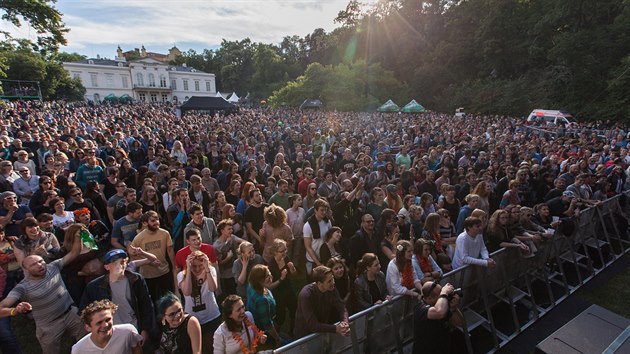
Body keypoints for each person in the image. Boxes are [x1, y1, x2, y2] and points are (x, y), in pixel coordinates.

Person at [0, 230, 84, 354]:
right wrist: (15, 310)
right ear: (26, 270)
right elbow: (1, 307)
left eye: (41, 261)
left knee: (88, 343)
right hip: (48, 326)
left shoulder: (53, 267)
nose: (40, 265)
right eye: (34, 264)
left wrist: (78, 237)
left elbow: (74, 253)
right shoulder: (22, 287)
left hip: (71, 314)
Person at [80, 249, 155, 350]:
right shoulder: (94, 287)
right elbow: (85, 311)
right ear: (107, 267)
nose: (120, 265)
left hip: (134, 328)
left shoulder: (136, 280)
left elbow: (147, 306)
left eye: (123, 261)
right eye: (115, 262)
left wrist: (145, 330)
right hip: (110, 332)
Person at [178, 250, 221, 353]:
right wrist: (189, 271)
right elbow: (187, 292)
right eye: (194, 266)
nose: (197, 269)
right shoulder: (181, 275)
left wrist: (206, 269)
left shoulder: (210, 270)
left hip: (211, 316)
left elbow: (212, 288)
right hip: (192, 319)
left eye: (200, 266)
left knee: (212, 347)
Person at [129, 211, 177, 301]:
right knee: (153, 300)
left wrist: (174, 267)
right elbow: (133, 255)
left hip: (164, 271)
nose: (156, 223)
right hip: (148, 275)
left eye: (157, 220)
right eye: (153, 221)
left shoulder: (165, 233)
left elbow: (170, 251)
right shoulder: (139, 238)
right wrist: (149, 262)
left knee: (169, 299)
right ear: (145, 223)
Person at [293, 265, 349, 339]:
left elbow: (341, 307)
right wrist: (336, 328)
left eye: (333, 279)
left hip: (322, 331)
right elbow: (313, 325)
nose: (333, 283)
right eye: (329, 281)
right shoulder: (306, 295)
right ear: (319, 283)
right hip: (305, 336)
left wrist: (344, 322)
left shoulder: (331, 288)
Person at [72, 299, 144, 354]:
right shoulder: (78, 349)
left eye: (108, 320)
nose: (105, 325)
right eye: (99, 323)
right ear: (88, 327)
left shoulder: (127, 332)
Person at [412, 281, 464, 354]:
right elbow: (439, 312)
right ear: (429, 298)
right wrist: (444, 293)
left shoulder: (443, 305)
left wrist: (453, 308)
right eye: (440, 296)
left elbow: (461, 323)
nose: (444, 298)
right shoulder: (420, 308)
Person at [246, 264, 283, 346]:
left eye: (269, 273)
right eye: (267, 276)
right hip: (264, 330)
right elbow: (268, 325)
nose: (271, 277)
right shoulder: (262, 300)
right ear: (259, 280)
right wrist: (277, 338)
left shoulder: (251, 285)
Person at [267, 239, 297, 335]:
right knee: (280, 316)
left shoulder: (286, 258)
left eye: (285, 250)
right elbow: (269, 286)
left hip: (288, 288)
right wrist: (281, 278)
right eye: (282, 251)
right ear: (275, 252)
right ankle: (274, 336)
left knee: (294, 310)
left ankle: (292, 331)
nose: (284, 252)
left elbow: (294, 275)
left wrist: (292, 269)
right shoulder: (271, 265)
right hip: (278, 292)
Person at [303, 198, 332, 273]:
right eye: (322, 210)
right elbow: (308, 246)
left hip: (325, 256)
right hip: (312, 260)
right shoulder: (308, 226)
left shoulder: (327, 221)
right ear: (315, 210)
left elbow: (330, 238)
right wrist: (317, 263)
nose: (324, 212)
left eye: (325, 210)